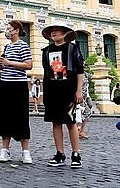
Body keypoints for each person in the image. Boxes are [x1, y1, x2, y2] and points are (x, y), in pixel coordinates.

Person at [41, 21, 84, 168]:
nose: (54, 33)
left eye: (57, 30)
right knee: (56, 123)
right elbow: (46, 72)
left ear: (65, 33)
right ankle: (60, 153)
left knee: (71, 123)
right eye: (52, 31)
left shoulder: (73, 49)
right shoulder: (46, 51)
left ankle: (76, 154)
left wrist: (79, 91)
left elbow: (80, 71)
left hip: (69, 90)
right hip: (52, 91)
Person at [0, 20, 33, 164]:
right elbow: (5, 65)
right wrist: (1, 64)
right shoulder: (6, 47)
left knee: (21, 117)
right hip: (5, 84)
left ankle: (25, 152)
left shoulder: (23, 45)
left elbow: (28, 65)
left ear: (16, 30)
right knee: (4, 117)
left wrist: (9, 63)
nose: (7, 31)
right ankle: (4, 151)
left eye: (9, 28)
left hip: (19, 85)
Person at [77, 65, 94, 139]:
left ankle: (80, 130)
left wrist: (107, 76)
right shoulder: (75, 74)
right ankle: (78, 130)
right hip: (78, 96)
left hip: (84, 97)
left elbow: (94, 77)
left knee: (87, 112)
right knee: (78, 113)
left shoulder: (85, 74)